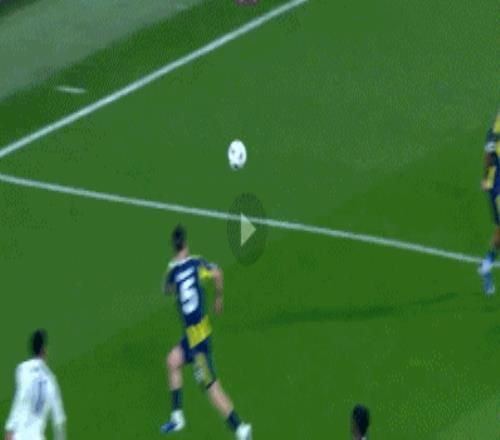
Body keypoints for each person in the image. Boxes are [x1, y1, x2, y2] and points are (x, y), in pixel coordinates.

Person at [161, 224, 252, 440]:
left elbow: (167, 290)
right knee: (172, 361)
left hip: (198, 344)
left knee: (211, 388)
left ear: (173, 247)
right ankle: (177, 417)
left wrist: (173, 272)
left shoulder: (172, 273)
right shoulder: (197, 263)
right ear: (186, 244)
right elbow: (218, 273)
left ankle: (240, 429)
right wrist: (219, 297)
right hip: (194, 337)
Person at [4, 329, 66, 440]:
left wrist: (10, 428)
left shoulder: (23, 369)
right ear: (44, 350)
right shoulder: (51, 380)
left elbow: (21, 397)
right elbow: (59, 418)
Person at [479, 109, 500, 295]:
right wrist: (485, 179)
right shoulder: (497, 128)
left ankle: (486, 264)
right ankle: (486, 265)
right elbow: (487, 154)